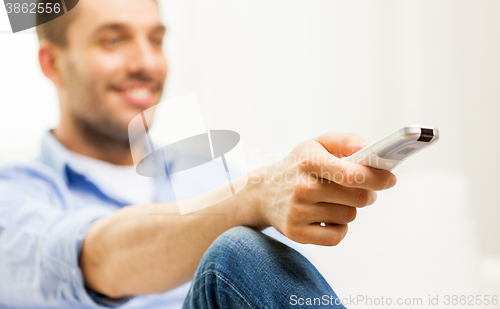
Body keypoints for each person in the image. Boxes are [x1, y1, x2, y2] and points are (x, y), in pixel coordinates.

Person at [0, 0, 397, 308]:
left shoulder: (208, 176)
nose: (147, 63)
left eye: (155, 40)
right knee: (236, 252)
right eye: (114, 40)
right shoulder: (15, 197)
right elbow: (98, 257)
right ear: (52, 63)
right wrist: (254, 196)